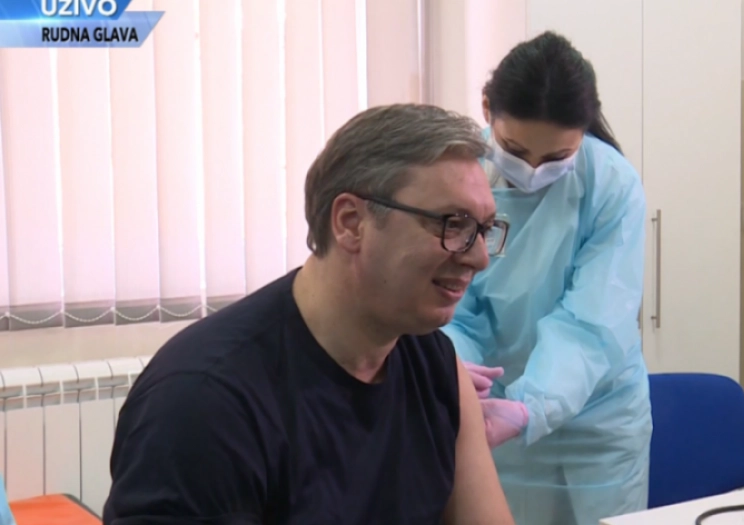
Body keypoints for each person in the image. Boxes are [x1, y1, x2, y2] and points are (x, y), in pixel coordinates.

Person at [103, 104, 517, 525]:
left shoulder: (436, 367)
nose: (479, 258)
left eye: (484, 230)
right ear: (351, 223)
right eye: (453, 224)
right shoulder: (204, 400)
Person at [440, 31, 653, 525]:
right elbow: (454, 306)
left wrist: (530, 407)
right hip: (488, 412)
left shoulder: (610, 184)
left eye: (556, 158)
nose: (533, 171)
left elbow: (591, 323)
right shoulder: (459, 178)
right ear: (487, 108)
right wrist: (456, 371)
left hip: (599, 423)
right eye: (515, 149)